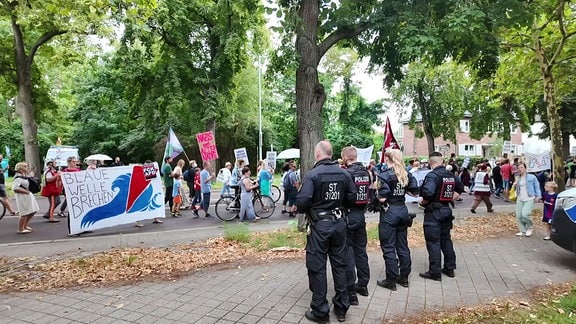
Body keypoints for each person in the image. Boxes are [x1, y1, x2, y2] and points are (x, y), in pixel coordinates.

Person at [294, 140, 357, 323]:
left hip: (320, 226)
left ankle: (321, 311)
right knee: (340, 265)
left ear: (317, 154)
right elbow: (352, 197)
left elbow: (301, 203)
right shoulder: (344, 174)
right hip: (339, 224)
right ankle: (341, 308)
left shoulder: (312, 175)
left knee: (317, 267)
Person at [376, 149, 419, 290]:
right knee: (402, 245)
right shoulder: (406, 174)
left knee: (388, 246)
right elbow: (414, 192)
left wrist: (376, 192)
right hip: (402, 210)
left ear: (387, 159)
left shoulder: (384, 175)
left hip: (389, 212)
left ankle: (391, 280)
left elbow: (382, 198)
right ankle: (404, 277)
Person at [419, 152, 464, 281]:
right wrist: (449, 199)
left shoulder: (432, 176)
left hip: (434, 212)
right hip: (446, 210)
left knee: (433, 241)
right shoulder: (450, 175)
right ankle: (450, 268)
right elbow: (460, 188)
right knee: (446, 239)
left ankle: (435, 272)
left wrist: (423, 202)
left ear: (430, 162)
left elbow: (428, 193)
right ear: (442, 161)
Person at [340, 146, 372, 301]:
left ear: (346, 158)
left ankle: (350, 291)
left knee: (348, 253)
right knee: (361, 251)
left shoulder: (346, 173)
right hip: (361, 215)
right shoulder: (366, 173)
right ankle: (363, 284)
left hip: (348, 215)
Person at [512, 162, 542, 237]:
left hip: (529, 197)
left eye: (522, 167)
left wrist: (538, 196)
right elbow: (515, 189)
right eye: (518, 168)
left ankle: (529, 227)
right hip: (520, 198)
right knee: (519, 215)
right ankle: (522, 230)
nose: (520, 169)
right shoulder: (518, 178)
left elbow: (537, 186)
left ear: (525, 168)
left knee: (525, 214)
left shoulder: (532, 177)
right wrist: (514, 185)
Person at [12, 162, 40, 234]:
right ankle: (20, 229)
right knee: (24, 212)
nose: (27, 168)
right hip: (22, 196)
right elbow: (15, 188)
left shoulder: (24, 175)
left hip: (27, 195)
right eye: (25, 167)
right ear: (20, 169)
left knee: (33, 210)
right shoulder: (18, 177)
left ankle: (25, 225)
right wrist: (26, 192)